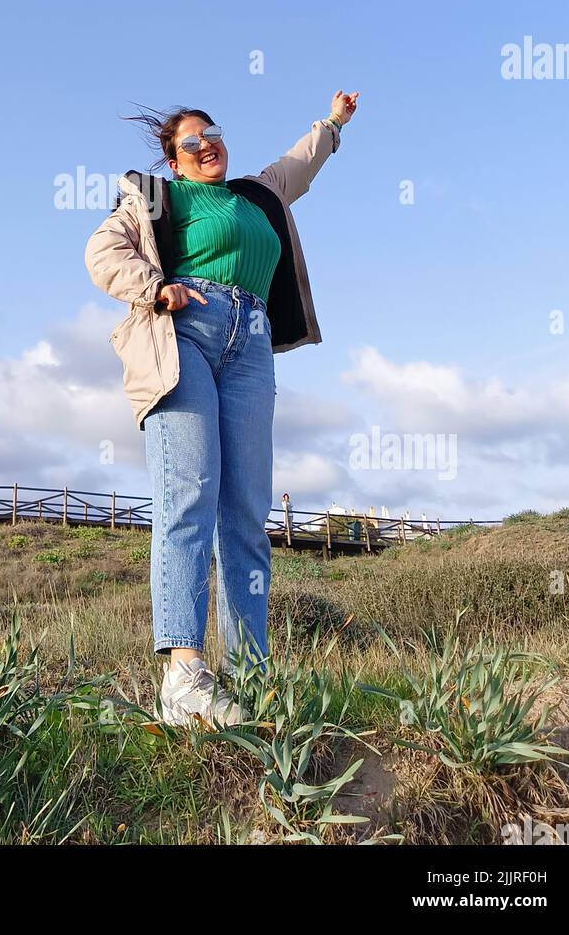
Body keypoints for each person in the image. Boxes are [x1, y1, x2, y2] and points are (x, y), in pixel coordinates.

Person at [84, 92, 358, 725]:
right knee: (189, 496)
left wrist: (335, 122)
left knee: (245, 512)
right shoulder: (159, 196)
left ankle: (251, 678)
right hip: (185, 332)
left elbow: (300, 162)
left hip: (253, 343)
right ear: (173, 160)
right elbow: (103, 252)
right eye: (190, 141)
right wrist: (154, 288)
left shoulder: (257, 194)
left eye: (213, 134)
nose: (206, 144)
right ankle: (182, 676)